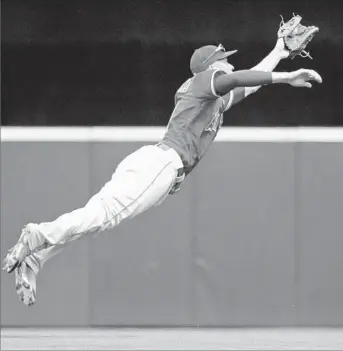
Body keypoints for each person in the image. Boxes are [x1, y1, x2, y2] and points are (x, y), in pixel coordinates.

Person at [3, 38, 323, 306]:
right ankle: (39, 233)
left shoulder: (211, 101)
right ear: (211, 67)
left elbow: (248, 83)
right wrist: (286, 75)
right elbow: (240, 78)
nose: (228, 64)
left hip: (152, 164)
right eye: (223, 60)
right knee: (101, 216)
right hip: (161, 165)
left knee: (97, 218)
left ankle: (37, 257)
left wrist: (279, 51)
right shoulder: (201, 82)